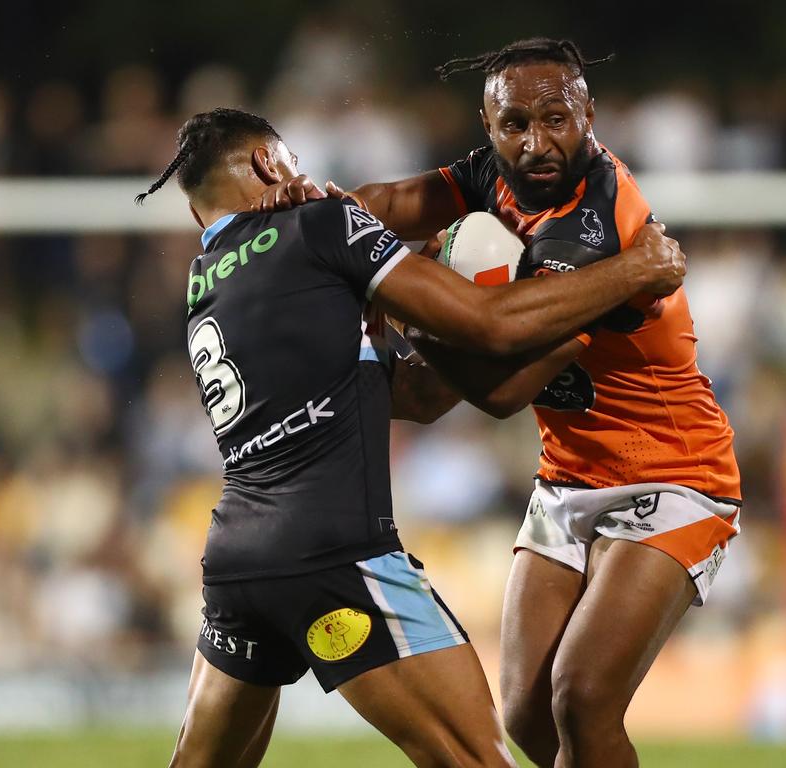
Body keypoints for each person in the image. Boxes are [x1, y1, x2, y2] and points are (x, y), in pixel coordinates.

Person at [134, 107, 684, 768]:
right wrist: (631, 272)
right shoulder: (320, 227)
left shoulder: (206, 283)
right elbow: (491, 327)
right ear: (266, 165)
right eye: (296, 163)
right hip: (338, 553)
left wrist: (420, 318)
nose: (306, 179)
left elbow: (416, 397)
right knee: (478, 760)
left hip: (236, 564)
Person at [259, 37, 741, 768]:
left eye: (556, 119)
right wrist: (313, 216)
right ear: (488, 129)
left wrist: (409, 299)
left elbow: (501, 392)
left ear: (589, 115)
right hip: (570, 475)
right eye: (515, 124)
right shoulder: (495, 177)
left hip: (674, 476)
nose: (537, 142)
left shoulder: (596, 231)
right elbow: (389, 204)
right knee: (526, 714)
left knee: (581, 696)